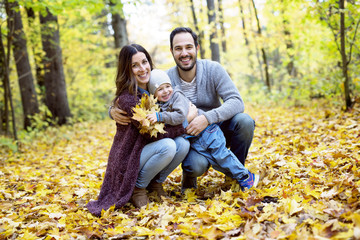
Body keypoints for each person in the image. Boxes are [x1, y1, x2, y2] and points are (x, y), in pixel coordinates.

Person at [110, 27, 255, 192]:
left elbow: (236, 102)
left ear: (197, 48)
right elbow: (137, 95)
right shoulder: (164, 80)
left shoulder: (213, 69)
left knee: (245, 122)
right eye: (178, 48)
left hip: (215, 128)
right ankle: (189, 176)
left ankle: (235, 176)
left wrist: (206, 118)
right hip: (190, 138)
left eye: (189, 47)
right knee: (195, 166)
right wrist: (113, 109)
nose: (184, 53)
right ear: (172, 51)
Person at [86, 44, 190, 217]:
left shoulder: (154, 86)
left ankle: (155, 184)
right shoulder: (128, 97)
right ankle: (138, 189)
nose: (142, 69)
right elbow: (153, 133)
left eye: (144, 62)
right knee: (169, 146)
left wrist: (183, 115)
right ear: (127, 69)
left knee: (183, 144)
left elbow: (175, 102)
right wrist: (187, 120)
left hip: (143, 150)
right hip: (129, 156)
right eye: (135, 65)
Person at [146, 69, 259, 191]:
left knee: (221, 156)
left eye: (168, 86)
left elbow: (179, 116)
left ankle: (246, 177)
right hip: (194, 137)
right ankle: (191, 185)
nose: (166, 91)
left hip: (208, 131)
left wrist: (159, 117)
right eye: (160, 89)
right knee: (215, 160)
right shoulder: (161, 104)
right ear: (154, 93)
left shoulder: (177, 96)